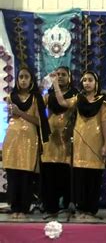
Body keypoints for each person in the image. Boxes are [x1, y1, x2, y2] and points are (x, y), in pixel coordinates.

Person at [52, 70, 106, 219]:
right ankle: (81, 209)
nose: (87, 83)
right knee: (80, 178)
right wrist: (55, 84)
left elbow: (105, 124)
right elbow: (62, 102)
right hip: (79, 146)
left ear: (96, 83)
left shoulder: (102, 102)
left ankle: (90, 210)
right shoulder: (78, 99)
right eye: (84, 80)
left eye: (90, 80)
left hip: (96, 145)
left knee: (93, 178)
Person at [3, 66, 50, 219]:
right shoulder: (11, 96)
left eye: (26, 77)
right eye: (20, 77)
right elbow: (10, 118)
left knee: (25, 174)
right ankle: (14, 207)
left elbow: (39, 121)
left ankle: (23, 208)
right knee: (13, 174)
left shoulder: (37, 98)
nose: (23, 80)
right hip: (12, 139)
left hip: (29, 139)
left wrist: (20, 113)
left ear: (31, 80)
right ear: (17, 80)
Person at [42, 66, 78, 216]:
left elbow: (63, 104)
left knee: (64, 175)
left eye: (63, 74)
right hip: (50, 139)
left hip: (65, 139)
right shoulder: (49, 95)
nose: (60, 77)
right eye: (57, 74)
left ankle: (66, 205)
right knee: (49, 174)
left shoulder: (75, 95)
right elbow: (37, 105)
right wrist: (44, 85)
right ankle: (50, 207)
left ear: (69, 77)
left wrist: (54, 84)